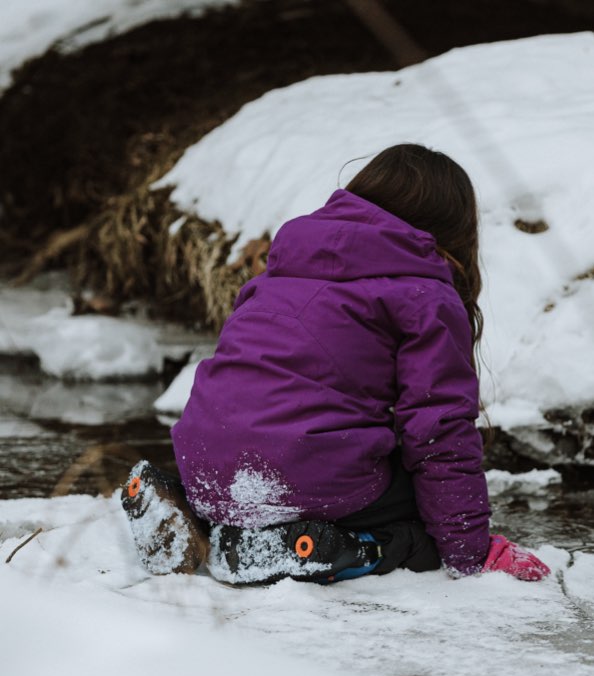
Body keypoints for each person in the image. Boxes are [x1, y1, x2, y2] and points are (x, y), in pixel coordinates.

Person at [121, 143, 550, 585]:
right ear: (452, 228)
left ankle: (201, 518)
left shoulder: (281, 269)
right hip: (302, 473)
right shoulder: (423, 295)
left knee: (286, 467)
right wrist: (469, 552)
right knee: (422, 530)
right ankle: (309, 547)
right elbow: (438, 431)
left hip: (206, 465)